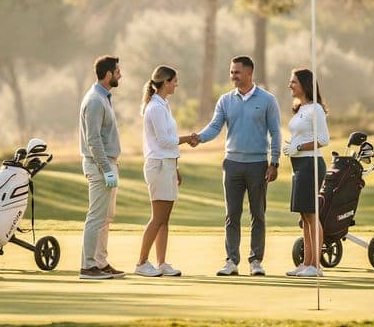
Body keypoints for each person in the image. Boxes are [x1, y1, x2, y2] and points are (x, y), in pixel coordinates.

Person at [193, 56, 281, 276]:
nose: (233, 76)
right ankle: (231, 261)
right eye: (231, 72)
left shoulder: (268, 100)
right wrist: (199, 138)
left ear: (249, 73)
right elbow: (215, 127)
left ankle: (255, 262)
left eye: (237, 72)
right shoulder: (225, 100)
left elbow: (276, 133)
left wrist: (275, 162)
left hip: (258, 164)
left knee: (257, 214)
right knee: (231, 215)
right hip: (232, 164)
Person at [135, 66, 198, 277]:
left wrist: (176, 166)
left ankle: (161, 263)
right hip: (158, 165)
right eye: (174, 81)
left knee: (165, 218)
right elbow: (164, 140)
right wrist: (186, 139)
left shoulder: (163, 105)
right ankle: (142, 263)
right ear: (166, 82)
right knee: (158, 217)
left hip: (167, 164)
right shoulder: (155, 108)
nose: (177, 84)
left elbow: (166, 142)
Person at [79, 55, 124, 279]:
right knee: (96, 217)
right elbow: (93, 140)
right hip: (99, 166)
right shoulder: (95, 100)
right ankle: (88, 266)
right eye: (117, 72)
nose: (120, 75)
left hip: (107, 164)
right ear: (108, 74)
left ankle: (100, 262)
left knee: (106, 218)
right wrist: (106, 169)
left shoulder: (103, 97)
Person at [283, 68, 330, 277]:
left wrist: (299, 148)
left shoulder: (316, 109)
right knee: (304, 215)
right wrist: (291, 145)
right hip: (299, 166)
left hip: (311, 164)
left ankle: (315, 266)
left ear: (304, 84)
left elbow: (323, 140)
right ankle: (306, 263)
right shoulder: (301, 108)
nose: (289, 85)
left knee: (312, 214)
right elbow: (301, 136)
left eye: (293, 81)